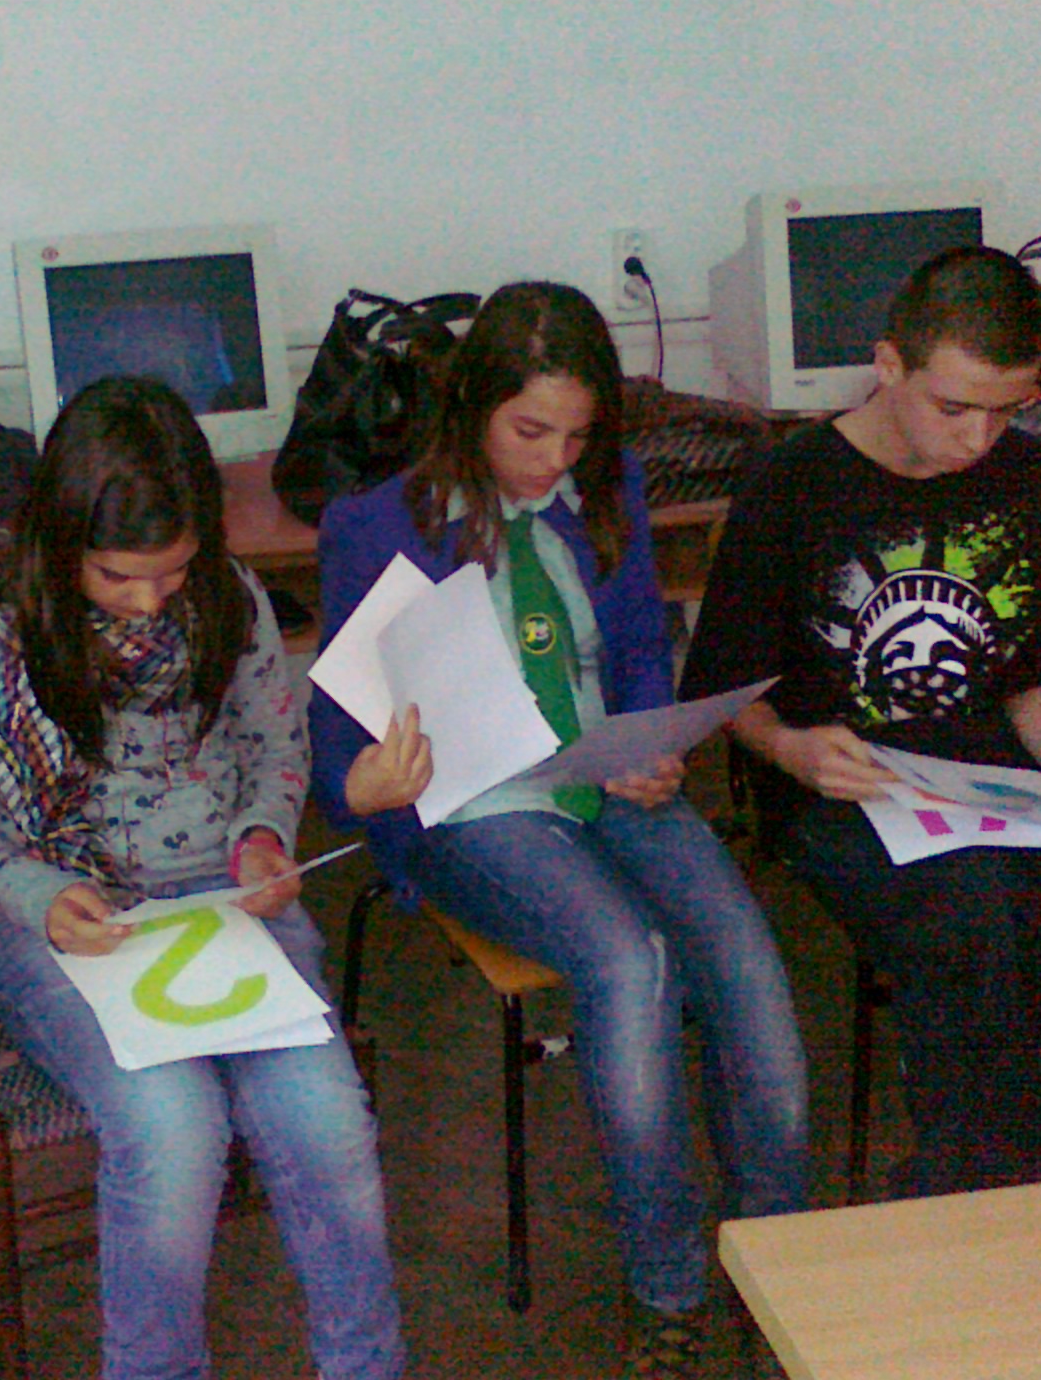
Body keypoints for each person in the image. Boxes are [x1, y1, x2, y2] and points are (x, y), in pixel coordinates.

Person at [310, 283, 807, 1379]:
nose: (553, 461)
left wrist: (650, 740)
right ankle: (667, 1284)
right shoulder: (376, 525)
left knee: (746, 958)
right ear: (470, 407)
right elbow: (333, 743)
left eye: (577, 437)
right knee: (630, 960)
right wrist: (371, 788)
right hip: (475, 800)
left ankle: (781, 1266)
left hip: (602, 771)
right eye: (529, 431)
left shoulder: (605, 490)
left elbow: (633, 653)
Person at [680, 244, 1041, 1200]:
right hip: (843, 790)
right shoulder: (794, 482)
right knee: (979, 916)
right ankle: (984, 1186)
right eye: (953, 407)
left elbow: (1038, 677)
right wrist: (789, 749)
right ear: (887, 365)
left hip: (997, 779)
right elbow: (731, 690)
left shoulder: (1025, 477)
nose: (978, 437)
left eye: (1006, 410)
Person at [0, 376, 405, 1380]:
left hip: (226, 902)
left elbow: (274, 753)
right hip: (64, 917)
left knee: (327, 1125)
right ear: (61, 541)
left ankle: (366, 1366)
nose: (149, 601)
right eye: (118, 577)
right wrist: (39, 895)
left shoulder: (229, 596)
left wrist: (260, 839)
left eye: (172, 573)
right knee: (172, 1131)